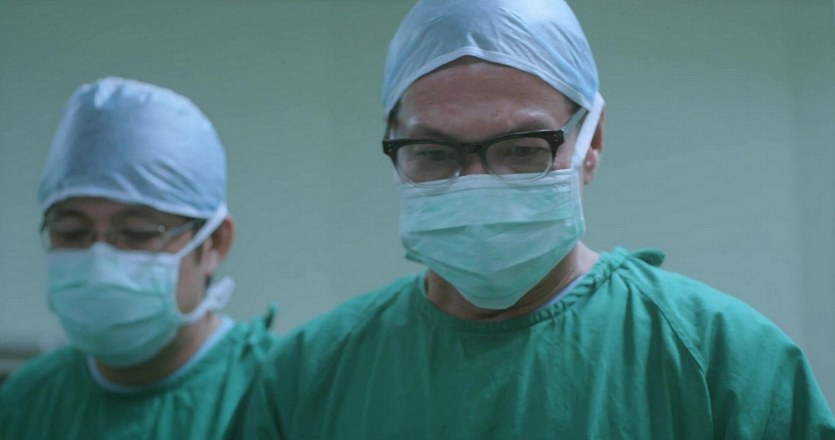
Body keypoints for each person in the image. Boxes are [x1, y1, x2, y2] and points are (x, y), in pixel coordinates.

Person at [227, 0, 835, 438]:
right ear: (393, 145)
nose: (475, 184)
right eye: (434, 152)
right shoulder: (307, 376)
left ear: (591, 144)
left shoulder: (725, 363)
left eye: (521, 150)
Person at [0, 77, 279, 439]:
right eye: (71, 231)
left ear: (214, 243)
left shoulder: (276, 395)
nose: (99, 262)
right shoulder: (25, 403)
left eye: (136, 232)